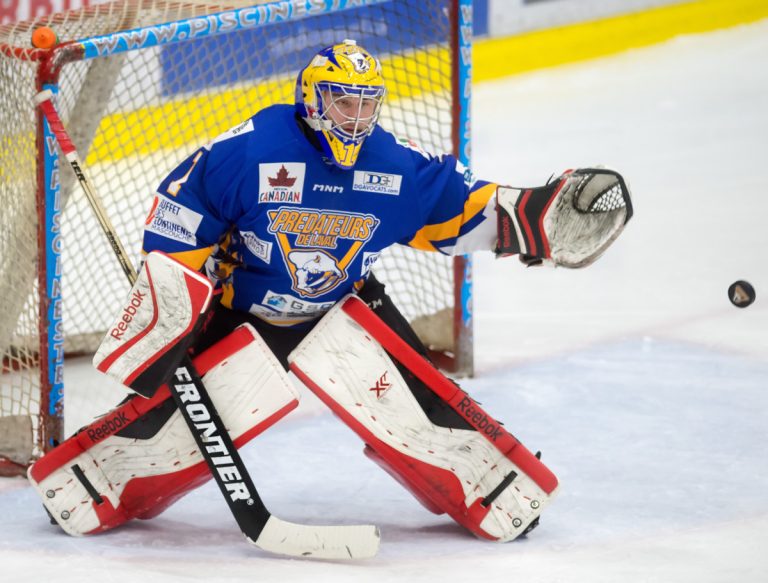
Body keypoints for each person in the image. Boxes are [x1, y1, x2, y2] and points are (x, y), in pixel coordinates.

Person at [29, 39, 631, 544]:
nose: (356, 116)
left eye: (367, 102)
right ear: (313, 100)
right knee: (177, 424)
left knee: (418, 407)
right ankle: (95, 481)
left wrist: (532, 217)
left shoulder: (390, 167)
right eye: (344, 99)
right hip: (244, 313)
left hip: (343, 307)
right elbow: (187, 206)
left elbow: (456, 208)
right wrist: (174, 296)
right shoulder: (254, 151)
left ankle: (488, 488)